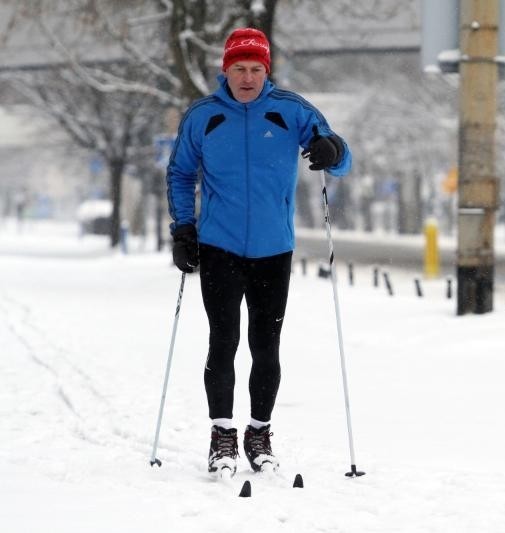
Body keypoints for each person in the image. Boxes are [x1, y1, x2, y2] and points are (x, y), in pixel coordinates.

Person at [166, 27, 352, 477]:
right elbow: (179, 173)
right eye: (238, 69)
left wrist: (332, 149)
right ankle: (222, 435)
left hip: (273, 249)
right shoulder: (203, 116)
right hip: (219, 247)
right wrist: (183, 230)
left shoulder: (290, 110)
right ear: (224, 70)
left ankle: (259, 431)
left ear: (266, 70)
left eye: (255, 69)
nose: (247, 77)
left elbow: (340, 157)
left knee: (266, 346)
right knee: (223, 341)